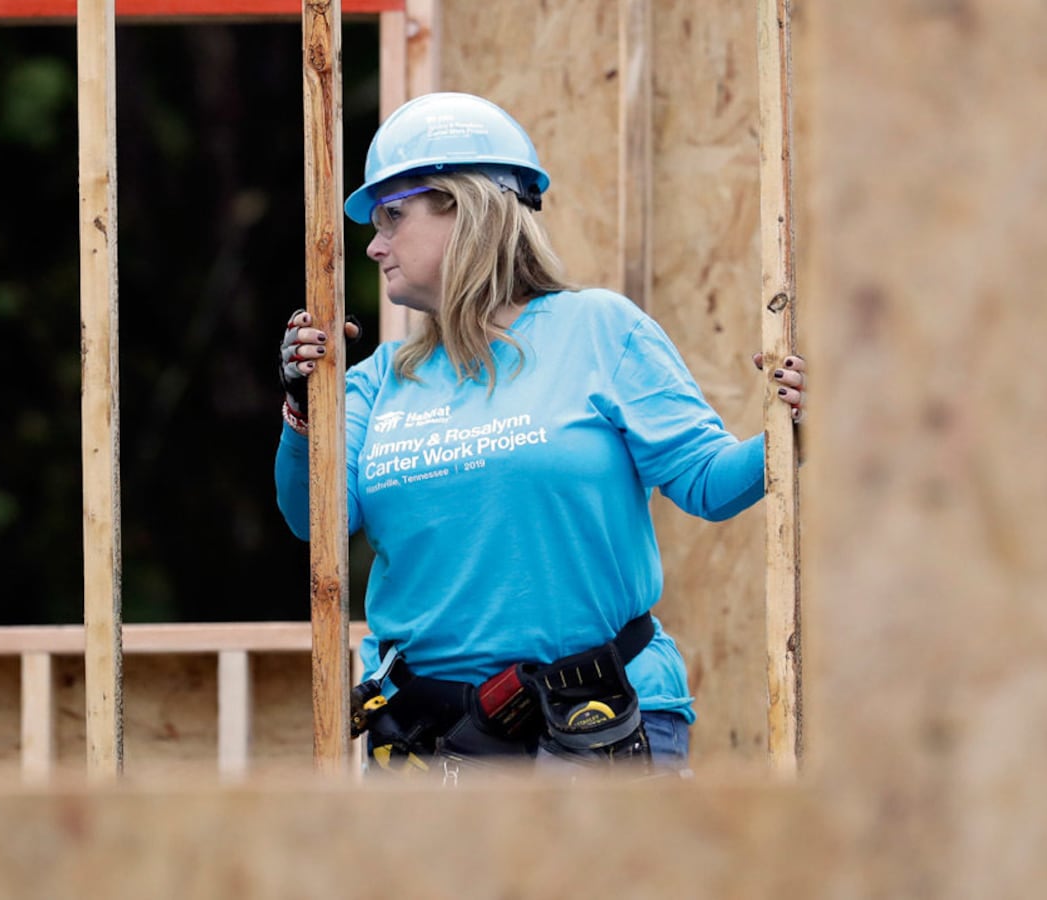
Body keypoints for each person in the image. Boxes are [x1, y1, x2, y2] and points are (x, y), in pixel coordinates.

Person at [273, 92, 806, 781]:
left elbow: (707, 483)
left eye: (392, 216)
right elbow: (316, 523)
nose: (373, 243)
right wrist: (302, 411)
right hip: (433, 743)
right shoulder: (379, 380)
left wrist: (792, 430)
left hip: (598, 724)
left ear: (467, 210)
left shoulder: (601, 332)